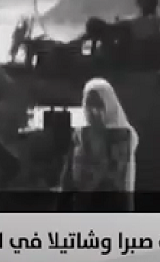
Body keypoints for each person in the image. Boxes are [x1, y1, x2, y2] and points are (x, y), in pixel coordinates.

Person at [59, 78, 139, 211]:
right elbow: (67, 177)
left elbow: (122, 181)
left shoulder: (122, 138)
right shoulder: (79, 135)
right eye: (89, 105)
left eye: (99, 105)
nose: (94, 111)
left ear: (109, 106)